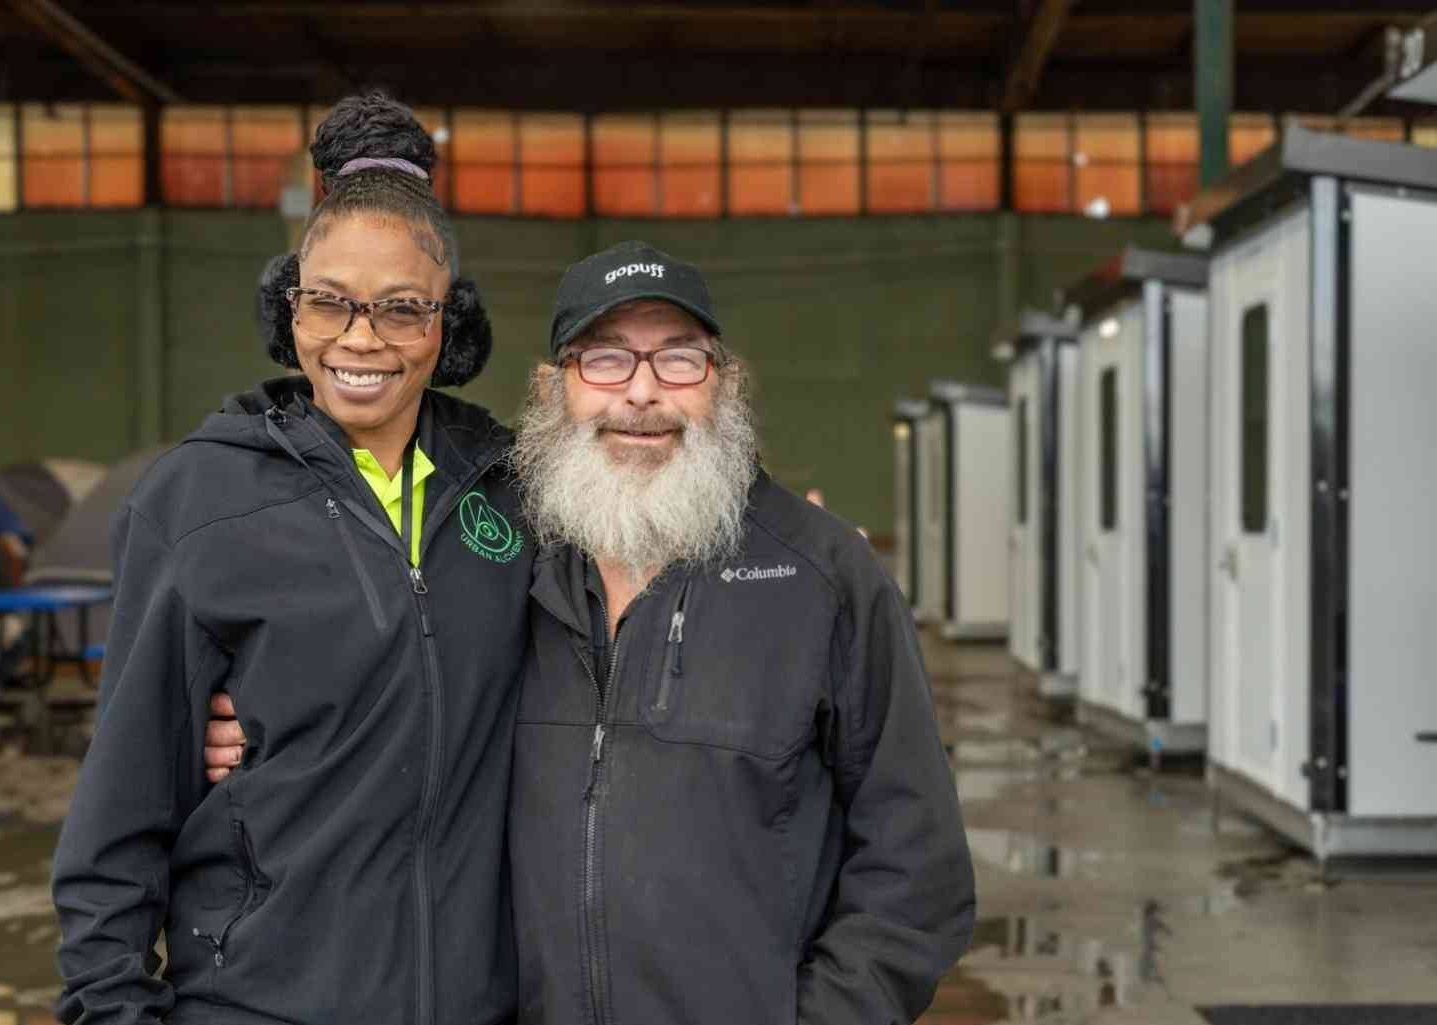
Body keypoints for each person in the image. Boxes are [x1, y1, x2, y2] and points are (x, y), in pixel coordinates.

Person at [211, 241, 977, 1024]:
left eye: (679, 360)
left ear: (725, 382)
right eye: (605, 360)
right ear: (555, 389)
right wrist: (271, 714)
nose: (641, 393)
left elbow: (916, 870)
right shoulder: (499, 566)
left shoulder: (824, 578)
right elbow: (402, 697)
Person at [51, 92, 529, 1025]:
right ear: (287, 308)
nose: (361, 338)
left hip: (478, 1003)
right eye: (330, 302)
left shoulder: (517, 493)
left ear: (450, 326)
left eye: (402, 308)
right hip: (260, 1001)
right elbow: (122, 800)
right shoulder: (196, 500)